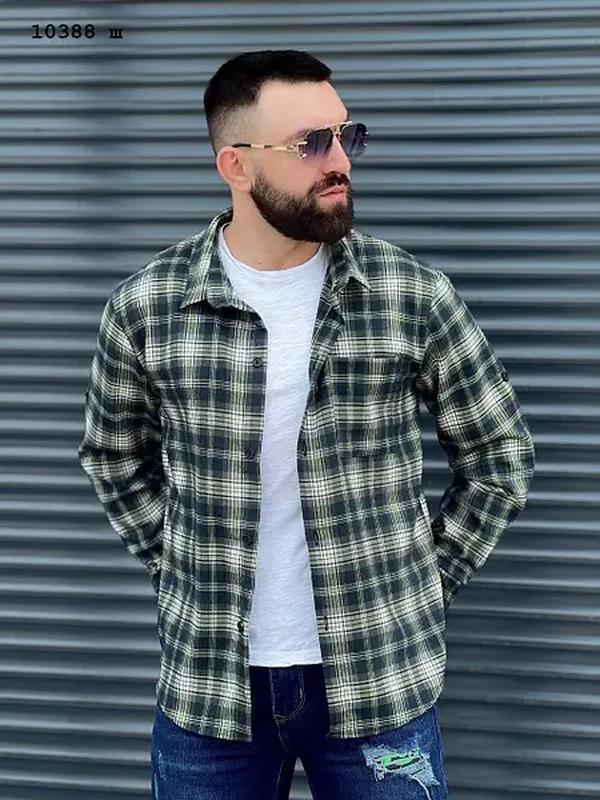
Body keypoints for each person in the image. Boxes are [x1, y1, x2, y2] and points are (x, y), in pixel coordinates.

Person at [78, 49, 535, 800]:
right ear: (235, 165)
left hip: (379, 682)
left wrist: (424, 580)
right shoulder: (148, 307)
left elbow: (499, 455)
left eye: (347, 136)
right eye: (310, 144)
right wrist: (179, 568)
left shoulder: (408, 295)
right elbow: (112, 457)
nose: (340, 162)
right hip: (210, 689)